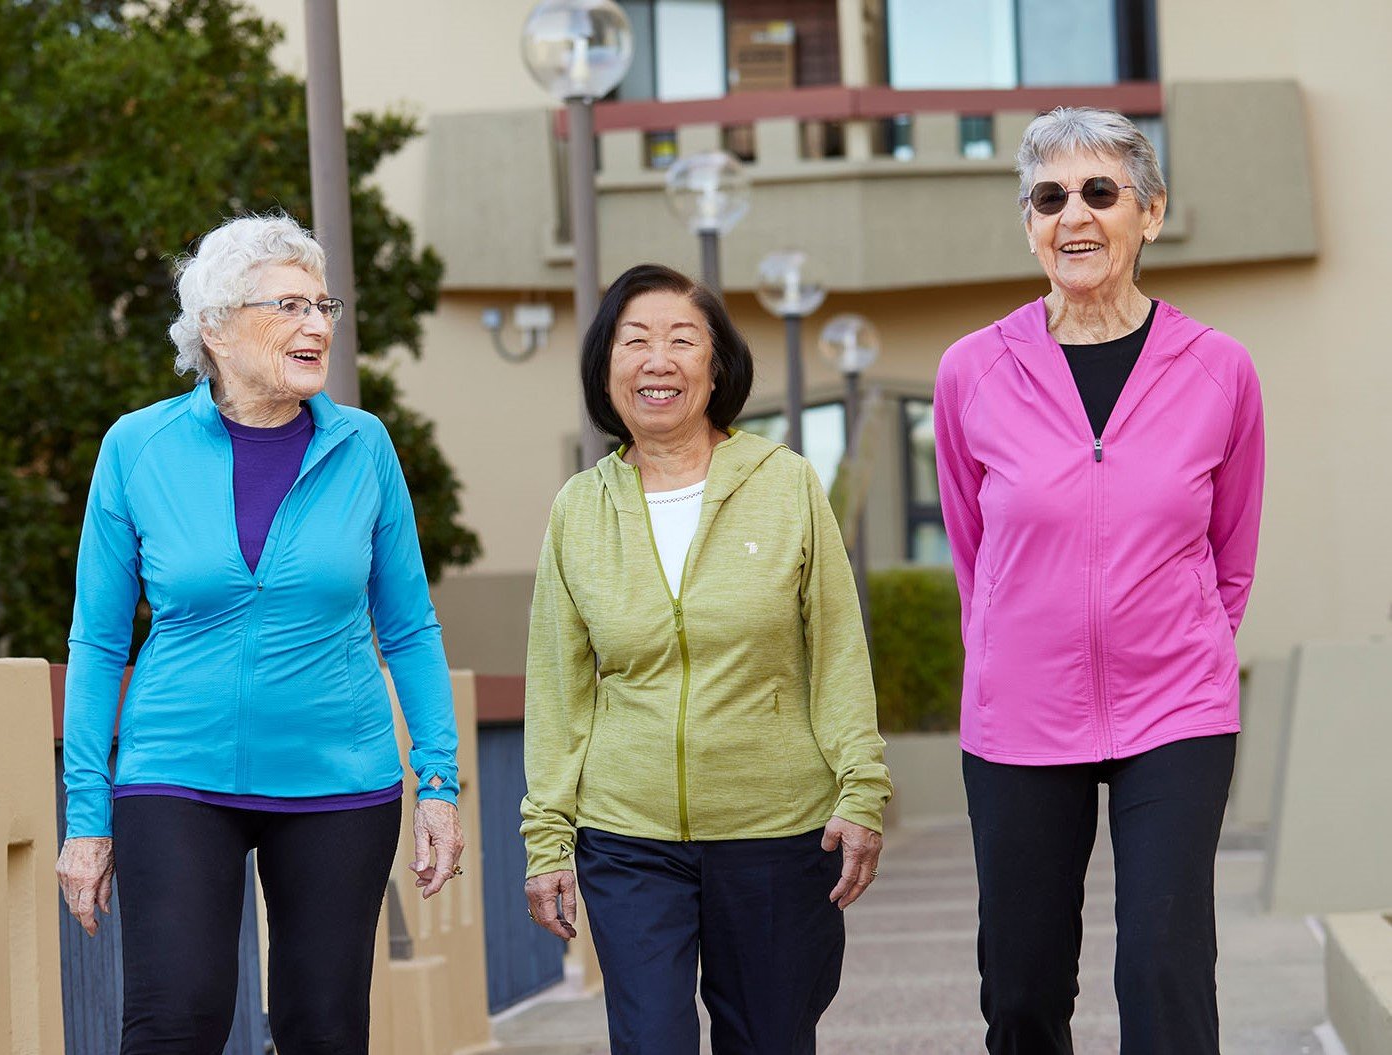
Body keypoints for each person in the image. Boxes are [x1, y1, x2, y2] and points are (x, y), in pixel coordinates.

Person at [55, 213, 466, 1055]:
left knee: (322, 1027)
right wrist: (86, 814)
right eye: (288, 306)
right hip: (175, 769)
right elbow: (97, 646)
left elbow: (411, 628)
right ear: (214, 326)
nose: (316, 325)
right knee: (174, 1021)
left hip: (337, 778)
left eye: (323, 306)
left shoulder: (364, 447)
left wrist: (438, 782)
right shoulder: (137, 447)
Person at [933, 107, 1266, 1054]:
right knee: (1023, 987)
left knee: (1162, 971)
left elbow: (1230, 553)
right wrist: (1011, 647)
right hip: (1020, 717)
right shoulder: (972, 372)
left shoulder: (1218, 369)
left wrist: (1181, 640)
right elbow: (972, 548)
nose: (1071, 215)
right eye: (1048, 197)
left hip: (1175, 709)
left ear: (1149, 214)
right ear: (1028, 222)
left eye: (1098, 191)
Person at [520, 263, 891, 1055]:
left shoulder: (784, 484)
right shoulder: (578, 511)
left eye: (682, 340)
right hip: (627, 835)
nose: (658, 360)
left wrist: (861, 790)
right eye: (635, 341)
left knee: (769, 1040)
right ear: (605, 366)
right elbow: (559, 688)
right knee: (650, 1040)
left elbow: (836, 652)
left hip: (777, 830)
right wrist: (546, 839)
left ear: (715, 366)